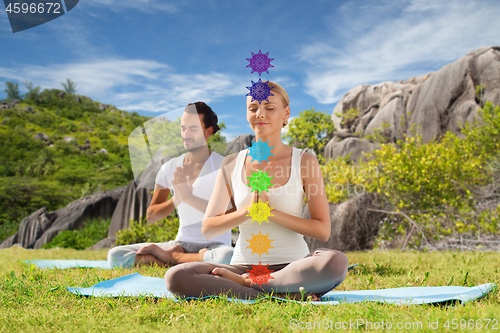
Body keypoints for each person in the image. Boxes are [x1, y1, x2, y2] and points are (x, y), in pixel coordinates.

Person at [164, 82, 348, 300]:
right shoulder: (232, 164)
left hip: (293, 268)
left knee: (335, 262)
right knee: (176, 277)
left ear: (286, 114)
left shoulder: (304, 162)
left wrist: (270, 213)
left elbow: (322, 230)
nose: (260, 114)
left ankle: (253, 287)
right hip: (243, 267)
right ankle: (284, 294)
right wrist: (248, 212)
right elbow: (208, 228)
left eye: (269, 108)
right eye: (253, 108)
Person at [108, 102, 233, 268]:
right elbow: (152, 216)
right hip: (181, 243)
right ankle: (182, 258)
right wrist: (176, 200)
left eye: (193, 129)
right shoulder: (169, 167)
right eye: (183, 128)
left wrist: (190, 198)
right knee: (116, 256)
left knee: (227, 257)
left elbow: (231, 214)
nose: (186, 134)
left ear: (208, 132)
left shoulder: (224, 166)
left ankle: (172, 258)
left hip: (215, 247)